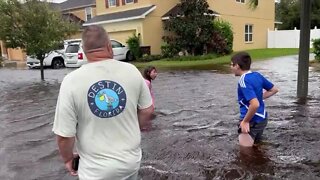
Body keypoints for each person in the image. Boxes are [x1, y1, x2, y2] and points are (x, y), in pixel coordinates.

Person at [53, 25, 154, 180]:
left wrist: (67, 159)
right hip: (130, 163)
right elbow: (147, 110)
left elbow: (64, 136)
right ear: (109, 46)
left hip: (95, 169)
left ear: (84, 51)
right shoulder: (132, 71)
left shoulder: (71, 81)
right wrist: (133, 126)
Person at [230, 52, 278, 147]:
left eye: (232, 64)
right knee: (257, 146)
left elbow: (255, 104)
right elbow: (274, 90)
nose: (230, 67)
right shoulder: (257, 75)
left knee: (245, 153)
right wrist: (259, 97)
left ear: (237, 66)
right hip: (262, 119)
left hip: (252, 120)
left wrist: (245, 121)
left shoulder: (243, 80)